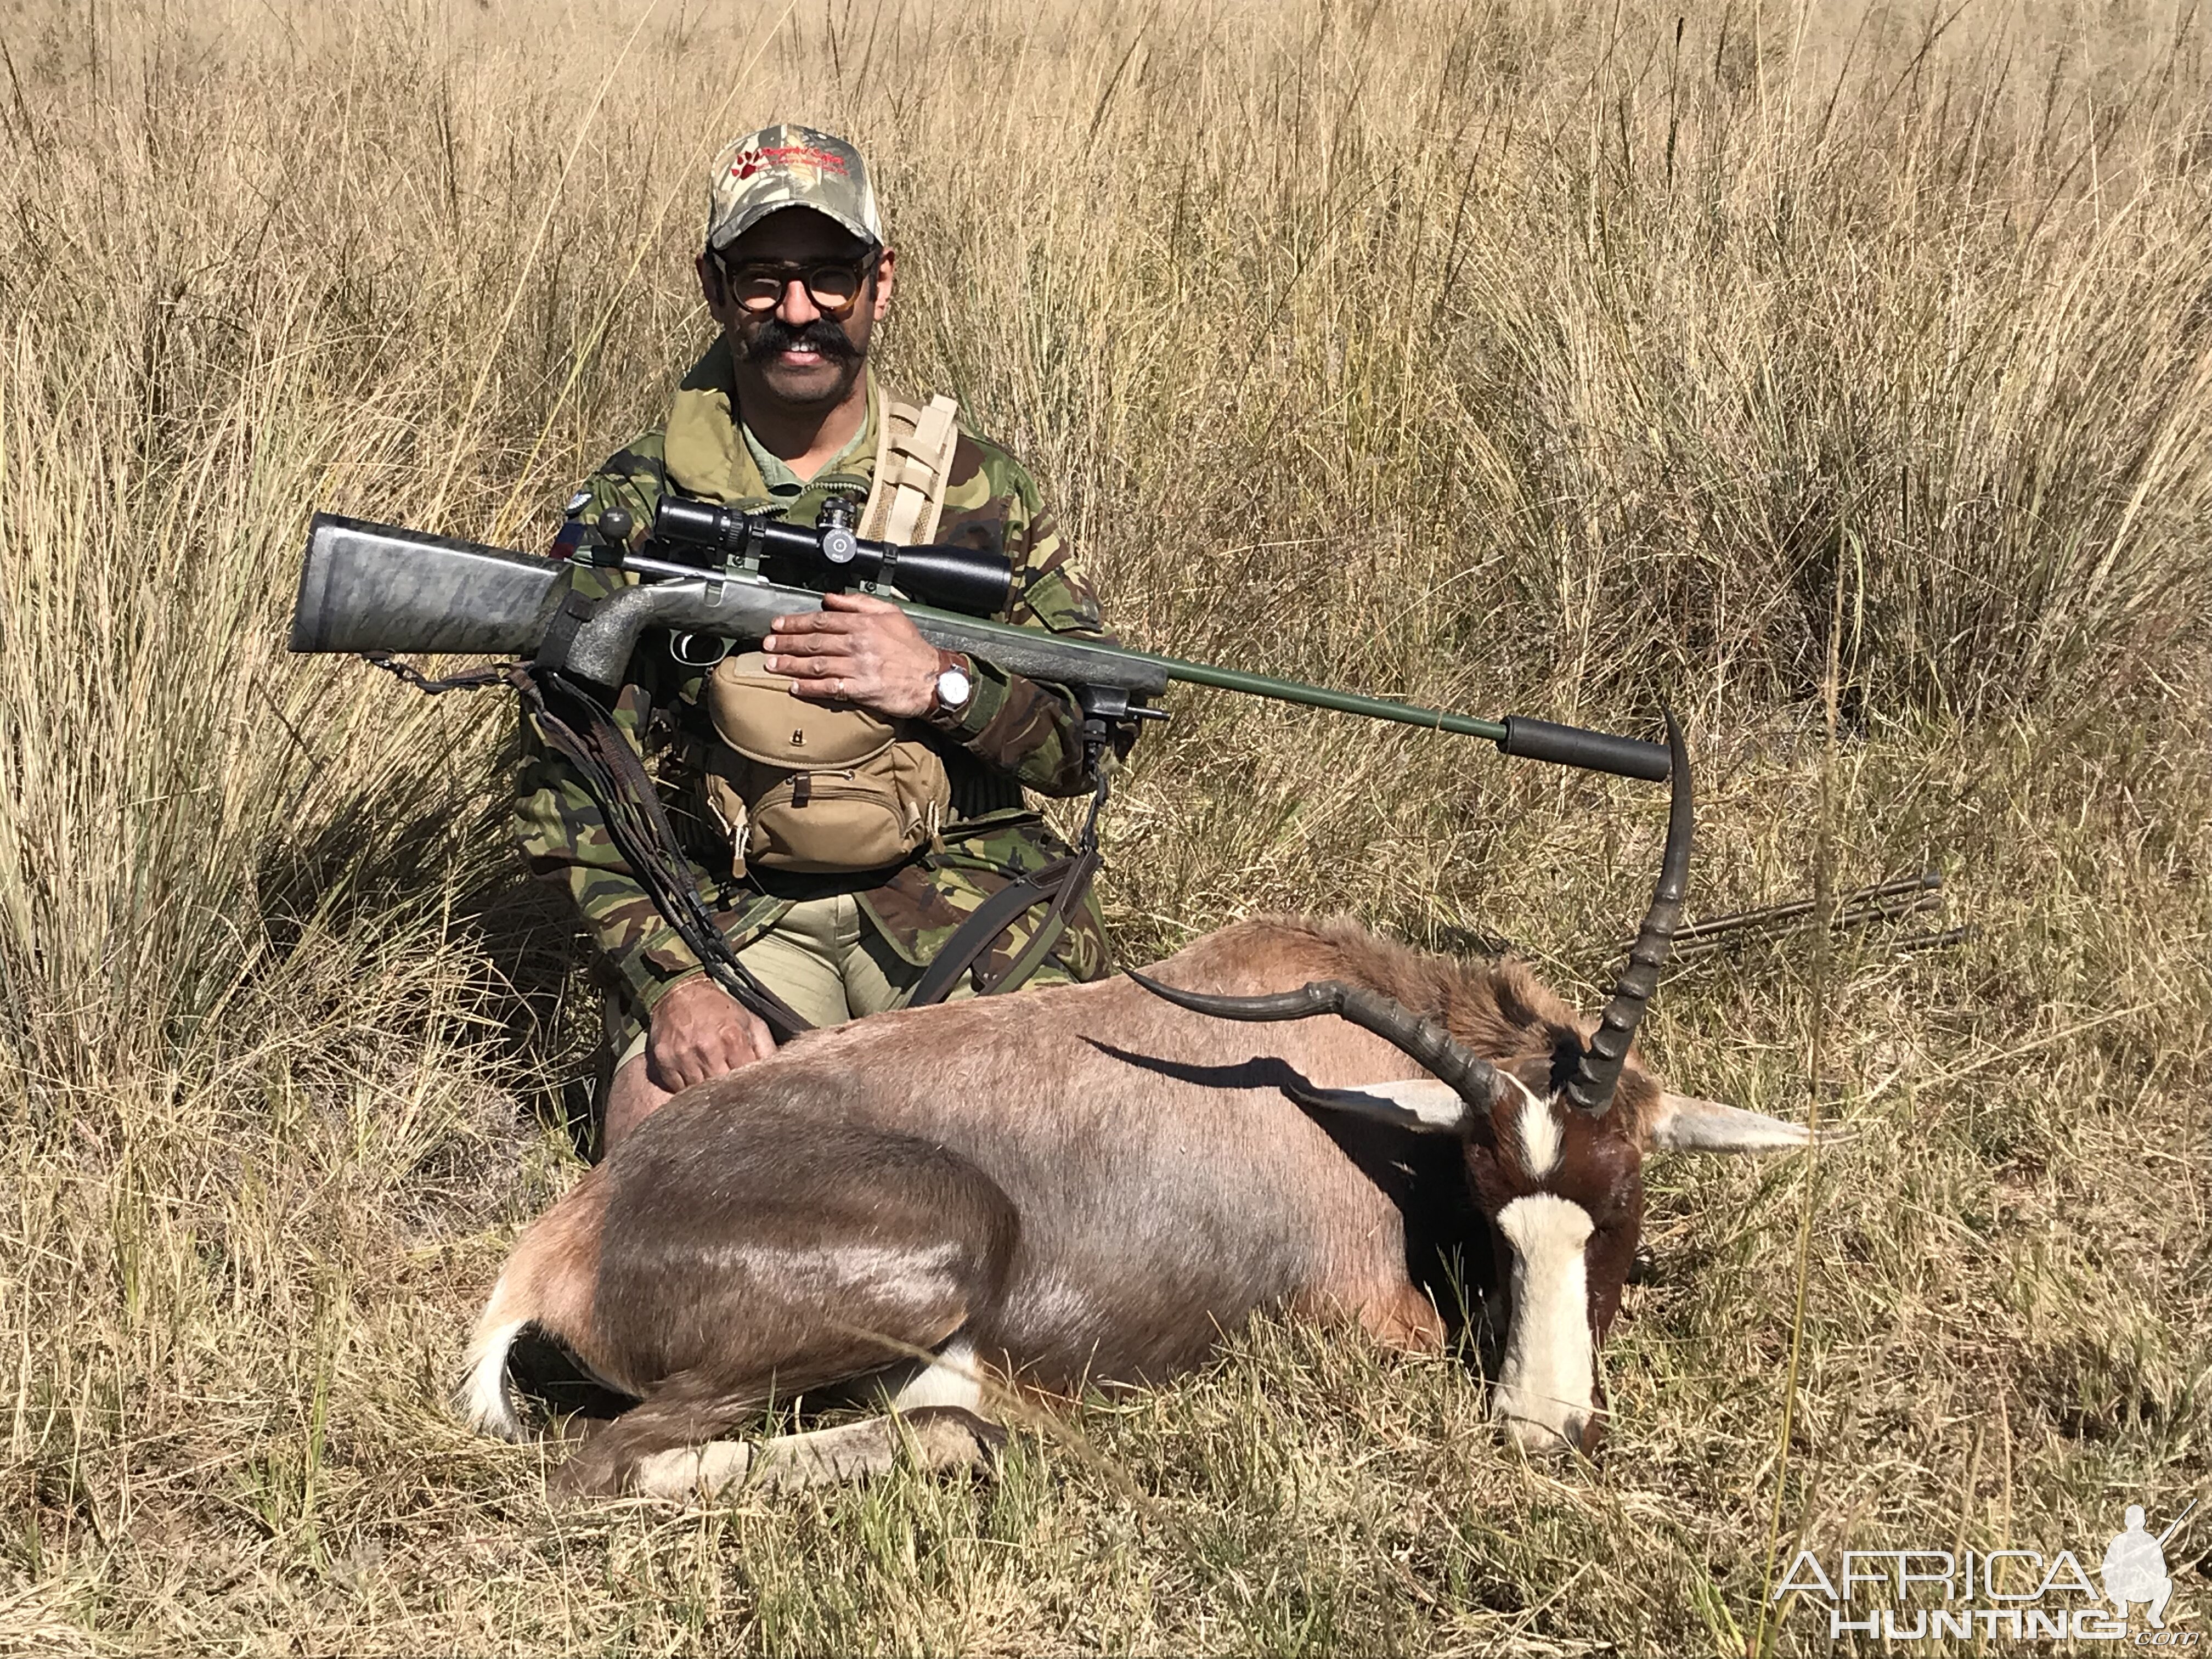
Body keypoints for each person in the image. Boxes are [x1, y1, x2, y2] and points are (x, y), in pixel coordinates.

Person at [515, 125, 1131, 1154]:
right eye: (763, 279)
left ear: (881, 283)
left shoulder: (979, 489)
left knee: (1067, 1146)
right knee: (669, 1152)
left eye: (830, 278)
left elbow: (1090, 740)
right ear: (715, 287)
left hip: (959, 885)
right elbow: (566, 772)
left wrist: (942, 686)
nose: (798, 313)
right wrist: (673, 984)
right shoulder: (638, 501)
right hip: (731, 904)